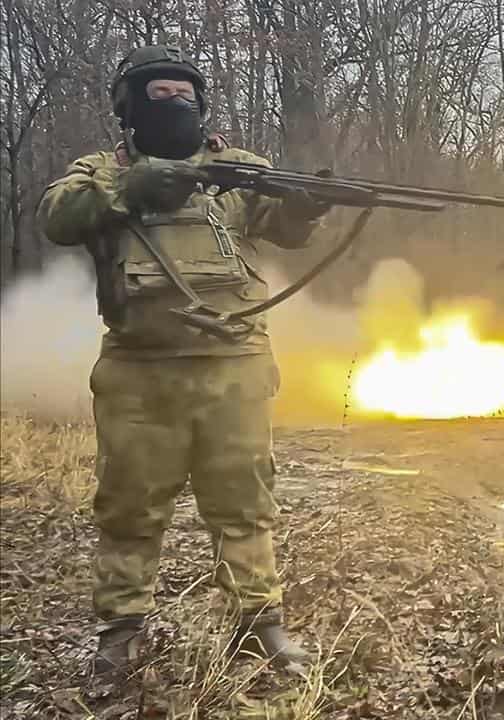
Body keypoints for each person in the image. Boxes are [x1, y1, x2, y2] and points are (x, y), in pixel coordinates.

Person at [36, 45, 329, 676]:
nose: (177, 104)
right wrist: (129, 189)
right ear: (129, 108)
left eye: (185, 93)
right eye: (159, 94)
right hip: (141, 367)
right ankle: (121, 629)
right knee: (130, 503)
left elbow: (283, 227)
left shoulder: (237, 168)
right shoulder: (99, 170)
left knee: (245, 499)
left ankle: (259, 625)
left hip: (237, 361)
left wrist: (307, 204)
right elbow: (57, 217)